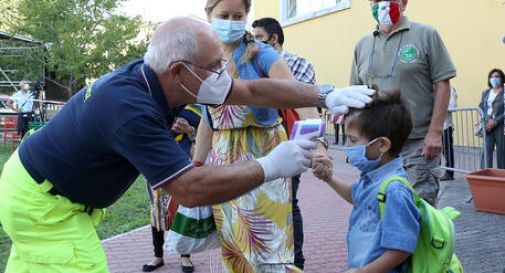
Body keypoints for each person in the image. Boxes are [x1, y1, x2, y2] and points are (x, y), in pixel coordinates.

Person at [0, 17, 375, 273]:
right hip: (43, 205)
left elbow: (251, 89)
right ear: (179, 70)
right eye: (215, 66)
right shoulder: (129, 109)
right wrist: (271, 166)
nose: (223, 74)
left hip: (39, 184)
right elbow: (190, 189)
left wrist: (325, 94)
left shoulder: (161, 76)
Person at [194, 2, 327, 272]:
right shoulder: (203, 59)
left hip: (266, 156)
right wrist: (196, 165)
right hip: (223, 161)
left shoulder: (262, 54)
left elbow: (302, 99)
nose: (230, 21)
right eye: (223, 16)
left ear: (246, 16)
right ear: (208, 15)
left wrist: (320, 145)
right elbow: (208, 121)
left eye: (238, 16)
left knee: (268, 245)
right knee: (233, 245)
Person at [350, 0, 457, 205]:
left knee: (418, 212)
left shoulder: (426, 34)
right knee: (380, 208)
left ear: (404, 3)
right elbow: (356, 94)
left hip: (417, 145)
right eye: (375, 0)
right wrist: (357, 142)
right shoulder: (362, 44)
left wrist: (435, 132)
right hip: (377, 148)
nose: (381, 4)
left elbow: (442, 83)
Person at [312, 91, 421, 273]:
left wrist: (365, 271)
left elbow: (402, 248)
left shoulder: (395, 190)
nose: (347, 146)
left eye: (353, 140)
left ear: (382, 145)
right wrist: (328, 178)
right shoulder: (372, 174)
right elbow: (356, 196)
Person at [252, 16, 317, 270]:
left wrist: (315, 146)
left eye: (258, 37)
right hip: (257, 145)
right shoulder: (250, 63)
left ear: (273, 38)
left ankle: (295, 261)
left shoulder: (298, 64)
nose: (253, 42)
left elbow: (308, 106)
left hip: (289, 143)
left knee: (289, 201)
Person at [142, 105, 201, 273]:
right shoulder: (153, 109)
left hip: (182, 168)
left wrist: (189, 129)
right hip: (156, 166)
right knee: (156, 211)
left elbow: (207, 134)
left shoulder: (191, 110)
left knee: (181, 210)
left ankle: (185, 256)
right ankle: (158, 256)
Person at [478, 68, 505, 169]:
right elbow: (481, 106)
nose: (494, 79)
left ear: (502, 78)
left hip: (501, 125)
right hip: (488, 125)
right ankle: (485, 174)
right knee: (486, 150)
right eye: (492, 77)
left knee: (502, 151)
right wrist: (486, 119)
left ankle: (502, 175)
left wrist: (496, 121)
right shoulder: (486, 92)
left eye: (497, 76)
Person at [440, 86, 458, 181]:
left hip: (446, 125)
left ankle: (449, 173)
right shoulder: (434, 89)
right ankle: (438, 171)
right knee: (440, 151)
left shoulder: (450, 89)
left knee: (447, 150)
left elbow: (453, 106)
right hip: (436, 126)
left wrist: (438, 109)